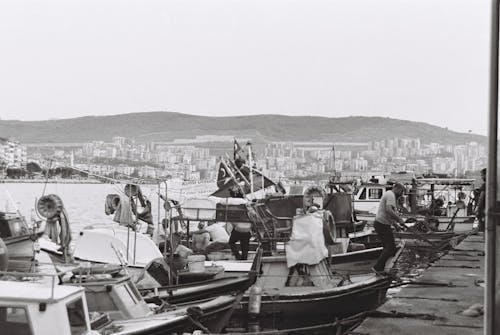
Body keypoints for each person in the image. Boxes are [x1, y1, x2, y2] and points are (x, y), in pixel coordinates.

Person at [372, 182, 406, 275]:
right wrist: (399, 219)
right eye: (401, 192)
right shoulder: (390, 195)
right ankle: (378, 267)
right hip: (381, 224)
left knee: (387, 247)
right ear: (398, 189)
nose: (401, 194)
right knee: (391, 248)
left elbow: (388, 215)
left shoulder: (389, 194)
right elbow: (389, 210)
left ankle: (382, 268)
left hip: (381, 223)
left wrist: (395, 225)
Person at [477, 168, 486, 232]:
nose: (481, 177)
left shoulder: (485, 185)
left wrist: (478, 211)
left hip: (484, 210)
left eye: (482, 175)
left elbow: (481, 199)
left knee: (482, 228)